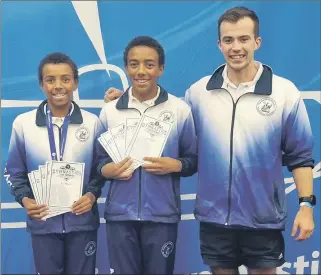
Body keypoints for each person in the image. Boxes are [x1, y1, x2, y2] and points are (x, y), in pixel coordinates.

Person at [104, 7, 316, 275]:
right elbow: (165, 113)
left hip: (264, 218)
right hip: (214, 218)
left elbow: (301, 156)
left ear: (257, 42)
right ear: (219, 44)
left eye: (243, 39)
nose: (235, 47)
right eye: (228, 40)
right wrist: (131, 96)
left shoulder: (284, 93)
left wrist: (306, 206)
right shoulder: (199, 92)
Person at [98, 36, 197, 274]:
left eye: (149, 64)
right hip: (120, 216)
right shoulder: (110, 111)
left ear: (161, 69)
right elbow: (98, 162)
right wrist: (107, 170)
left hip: (162, 215)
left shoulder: (179, 110)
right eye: (134, 64)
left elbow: (193, 160)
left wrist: (175, 165)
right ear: (126, 68)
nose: (141, 71)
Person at [4, 52, 106, 274]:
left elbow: (101, 169)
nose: (58, 86)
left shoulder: (92, 122)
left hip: (82, 222)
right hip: (43, 224)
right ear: (42, 84)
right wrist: (25, 199)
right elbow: (13, 172)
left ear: (75, 83)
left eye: (65, 79)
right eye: (50, 80)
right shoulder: (23, 124)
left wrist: (91, 195)